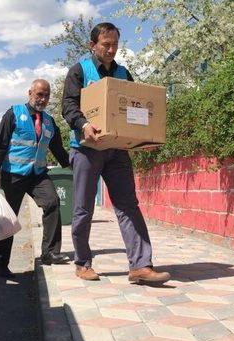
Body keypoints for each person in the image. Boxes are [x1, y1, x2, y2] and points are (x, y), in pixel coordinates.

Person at [61, 23, 170, 284]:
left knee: (128, 205)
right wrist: (84, 124)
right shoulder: (79, 71)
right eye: (105, 45)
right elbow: (68, 105)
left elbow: (136, 110)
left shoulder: (123, 73)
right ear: (92, 45)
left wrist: (145, 137)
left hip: (117, 150)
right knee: (83, 208)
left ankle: (140, 265)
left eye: (115, 45)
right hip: (86, 149)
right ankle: (83, 262)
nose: (111, 50)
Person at [0, 79, 70, 279]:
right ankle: (0, 263)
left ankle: (49, 253)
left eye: (46, 95)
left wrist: (79, 164)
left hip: (37, 175)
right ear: (30, 93)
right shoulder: (13, 113)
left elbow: (58, 151)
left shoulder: (50, 122)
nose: (42, 99)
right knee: (8, 218)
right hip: (13, 174)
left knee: (52, 203)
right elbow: (1, 145)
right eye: (39, 94)